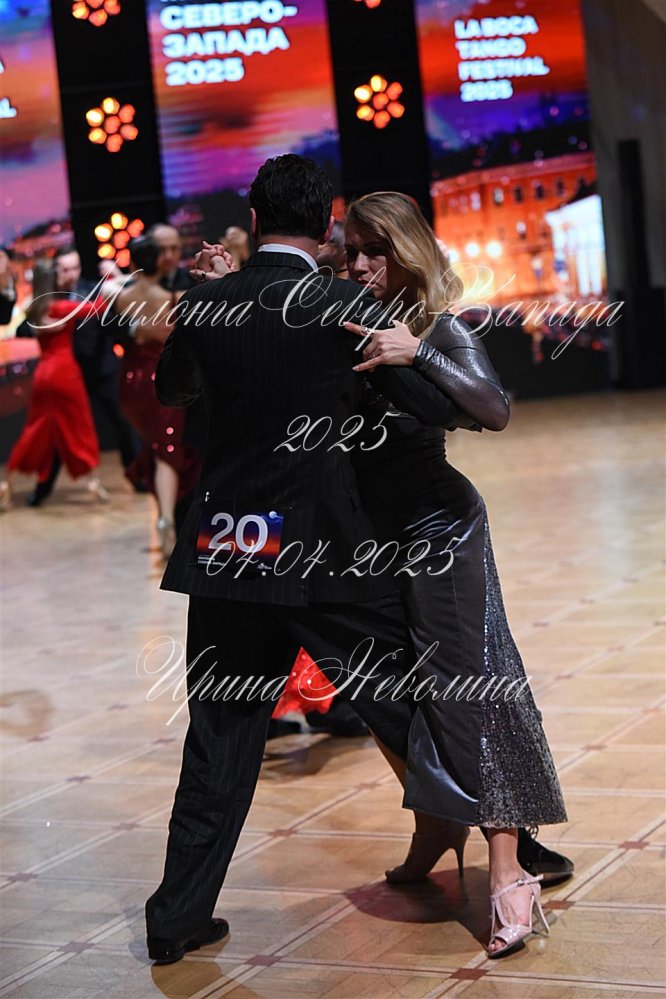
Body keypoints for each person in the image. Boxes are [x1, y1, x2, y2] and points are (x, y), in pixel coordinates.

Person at [144, 154, 471, 965]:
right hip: (327, 547)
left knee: (219, 738)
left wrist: (208, 303)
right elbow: (435, 409)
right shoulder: (343, 304)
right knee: (411, 701)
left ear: (255, 217)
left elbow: (173, 392)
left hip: (233, 545)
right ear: (327, 223)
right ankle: (516, 845)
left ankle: (177, 917)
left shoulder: (208, 303)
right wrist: (419, 355)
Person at [340, 191, 567, 957]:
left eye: (375, 248)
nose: (360, 263)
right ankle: (437, 822)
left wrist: (418, 353)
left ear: (407, 251)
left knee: (470, 683)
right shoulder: (341, 317)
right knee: (383, 688)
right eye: (351, 248)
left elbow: (495, 409)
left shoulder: (438, 327)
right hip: (365, 538)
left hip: (438, 529)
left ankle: (507, 866)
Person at [16, 245, 139, 506]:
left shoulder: (84, 291)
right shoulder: (50, 301)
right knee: (60, 431)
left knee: (122, 423)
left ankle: (137, 478)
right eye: (65, 269)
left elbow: (112, 320)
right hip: (68, 375)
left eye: (75, 268)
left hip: (99, 371)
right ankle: (45, 487)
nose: (71, 274)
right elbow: (24, 328)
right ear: (55, 271)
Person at [110, 235, 201, 557]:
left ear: (134, 262)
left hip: (130, 383)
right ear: (159, 261)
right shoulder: (172, 298)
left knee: (156, 448)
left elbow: (113, 327)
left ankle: (164, 515)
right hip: (161, 380)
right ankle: (166, 521)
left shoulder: (121, 297)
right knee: (167, 452)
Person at [0, 260, 109, 510]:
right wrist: (112, 282)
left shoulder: (32, 308)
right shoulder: (60, 307)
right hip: (65, 374)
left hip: (42, 375)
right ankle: (92, 480)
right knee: (80, 427)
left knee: (34, 430)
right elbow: (97, 308)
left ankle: (8, 482)